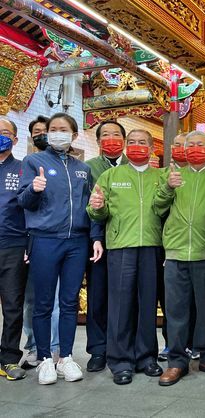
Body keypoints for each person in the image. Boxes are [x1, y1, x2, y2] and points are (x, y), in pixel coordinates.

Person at [18, 113, 103, 385]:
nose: (57, 133)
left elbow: (91, 207)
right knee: (42, 304)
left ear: (74, 135)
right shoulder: (33, 162)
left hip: (76, 243)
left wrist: (95, 237)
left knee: (69, 303)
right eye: (53, 129)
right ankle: (45, 358)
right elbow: (23, 201)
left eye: (63, 129)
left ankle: (65, 357)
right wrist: (34, 188)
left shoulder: (83, 169)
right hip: (45, 240)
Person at [153, 131, 205, 386]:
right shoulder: (173, 175)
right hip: (175, 253)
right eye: (190, 145)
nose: (195, 148)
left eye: (200, 145)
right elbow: (158, 208)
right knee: (175, 310)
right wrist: (167, 188)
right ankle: (176, 361)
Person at [87, 129, 163, 386]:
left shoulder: (160, 176)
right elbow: (97, 210)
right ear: (125, 146)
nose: (137, 146)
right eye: (132, 142)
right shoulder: (110, 175)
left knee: (147, 303)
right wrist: (97, 207)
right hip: (120, 247)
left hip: (152, 245)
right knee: (120, 306)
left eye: (143, 142)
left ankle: (146, 357)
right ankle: (120, 361)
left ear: (152, 147)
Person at [84, 120, 128, 373]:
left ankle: (123, 346)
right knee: (98, 297)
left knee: (126, 297)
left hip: (127, 241)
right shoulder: (89, 168)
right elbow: (89, 208)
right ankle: (98, 349)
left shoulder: (134, 168)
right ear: (99, 141)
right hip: (98, 242)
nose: (111, 139)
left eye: (116, 135)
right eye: (105, 135)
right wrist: (95, 238)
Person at [21, 115, 60, 369]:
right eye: (37, 131)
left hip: (54, 240)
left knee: (53, 299)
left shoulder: (63, 166)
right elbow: (23, 204)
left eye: (46, 130)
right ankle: (33, 345)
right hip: (28, 241)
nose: (42, 135)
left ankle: (54, 349)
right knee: (31, 299)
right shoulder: (28, 164)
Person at [0, 118, 27, 381]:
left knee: (12, 305)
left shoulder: (22, 170)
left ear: (15, 140)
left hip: (13, 246)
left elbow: (31, 208)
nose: (0, 137)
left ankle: (8, 358)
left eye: (5, 133)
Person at [157, 132, 188, 363]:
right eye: (176, 145)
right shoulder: (161, 175)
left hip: (195, 247)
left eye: (184, 145)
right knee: (171, 300)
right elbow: (156, 207)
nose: (180, 149)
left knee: (194, 301)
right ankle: (172, 344)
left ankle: (194, 344)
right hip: (165, 245)